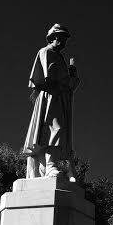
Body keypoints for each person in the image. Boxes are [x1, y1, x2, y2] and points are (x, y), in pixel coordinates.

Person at [23, 23, 80, 178]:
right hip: (50, 97)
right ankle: (50, 167)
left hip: (58, 98)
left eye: (65, 38)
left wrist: (72, 76)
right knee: (55, 128)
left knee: (56, 130)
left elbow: (66, 84)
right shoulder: (46, 52)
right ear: (53, 37)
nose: (64, 42)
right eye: (61, 37)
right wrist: (67, 79)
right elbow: (49, 77)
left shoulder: (59, 57)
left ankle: (49, 166)